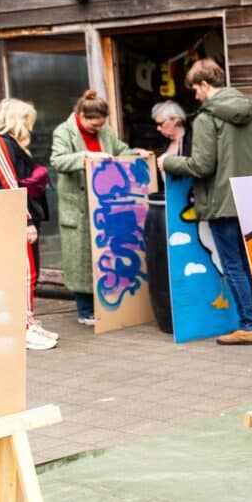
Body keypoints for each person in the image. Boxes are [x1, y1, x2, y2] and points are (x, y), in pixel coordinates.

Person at [159, 59, 252, 346]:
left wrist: (168, 162)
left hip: (223, 203)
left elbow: (201, 165)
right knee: (249, 264)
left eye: (195, 89)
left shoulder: (206, 119)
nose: (196, 96)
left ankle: (248, 326)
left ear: (204, 84)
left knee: (233, 265)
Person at [51, 90, 151, 326]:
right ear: (80, 115)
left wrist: (134, 152)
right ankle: (85, 310)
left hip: (103, 203)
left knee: (105, 255)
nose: (98, 129)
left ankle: (105, 307)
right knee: (81, 260)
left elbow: (119, 150)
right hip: (78, 206)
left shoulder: (105, 130)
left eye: (101, 125)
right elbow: (57, 160)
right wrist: (87, 156)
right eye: (93, 125)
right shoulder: (63, 131)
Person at [0, 97, 57, 350]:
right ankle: (23, 327)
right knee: (23, 273)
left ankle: (27, 322)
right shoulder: (2, 143)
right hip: (14, 217)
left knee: (27, 272)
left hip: (18, 214)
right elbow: (10, 185)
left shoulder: (9, 145)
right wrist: (26, 220)